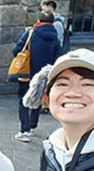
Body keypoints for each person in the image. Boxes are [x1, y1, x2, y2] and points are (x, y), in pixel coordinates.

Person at [12, 11, 60, 142]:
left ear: (39, 20)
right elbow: (58, 55)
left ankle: (25, 131)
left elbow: (17, 50)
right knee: (38, 98)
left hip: (27, 73)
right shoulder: (55, 36)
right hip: (45, 74)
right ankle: (32, 126)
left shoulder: (31, 33)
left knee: (23, 100)